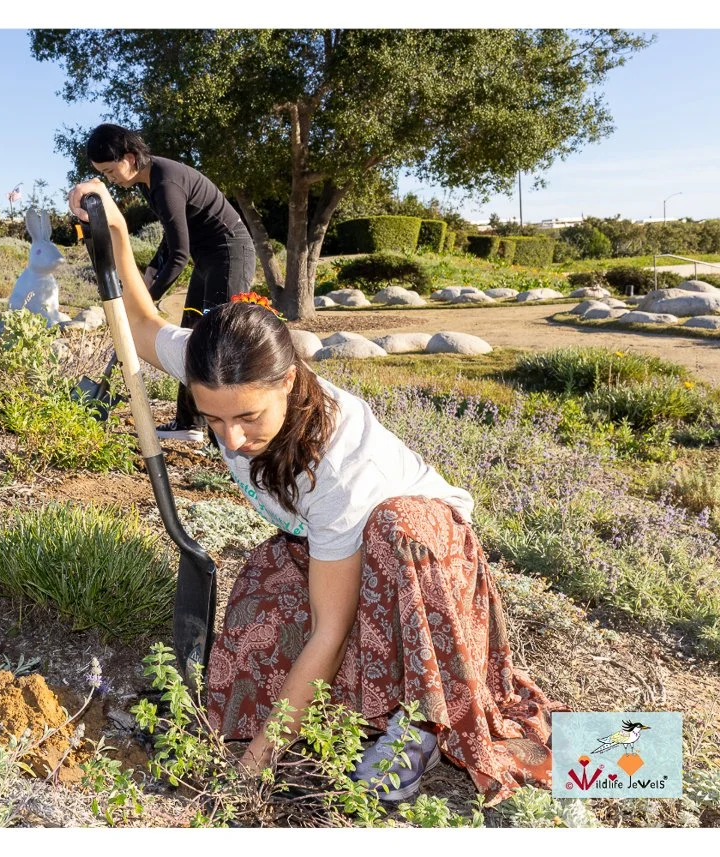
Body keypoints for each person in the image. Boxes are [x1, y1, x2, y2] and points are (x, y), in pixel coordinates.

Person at [68, 179, 566, 806]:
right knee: (262, 601)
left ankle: (414, 723)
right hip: (330, 546)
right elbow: (142, 327)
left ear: (288, 380)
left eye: (249, 418)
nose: (232, 437)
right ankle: (357, 707)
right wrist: (114, 229)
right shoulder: (219, 364)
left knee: (396, 530)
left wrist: (254, 769)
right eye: (212, 418)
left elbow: (329, 631)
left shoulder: (336, 467)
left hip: (424, 560)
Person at [85, 124, 255, 443]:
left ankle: (230, 434)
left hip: (230, 254)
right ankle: (188, 422)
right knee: (192, 334)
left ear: (130, 157)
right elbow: (168, 245)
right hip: (207, 259)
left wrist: (147, 304)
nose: (110, 178)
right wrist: (142, 286)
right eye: (103, 173)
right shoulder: (148, 183)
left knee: (219, 340)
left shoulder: (165, 182)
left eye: (110, 170)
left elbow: (178, 255)